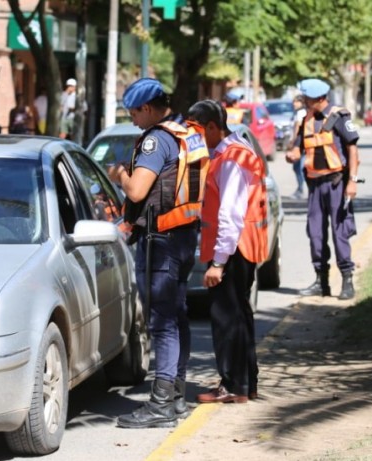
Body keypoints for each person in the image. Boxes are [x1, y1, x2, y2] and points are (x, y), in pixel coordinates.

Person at [108, 78, 209, 429]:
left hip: (162, 242)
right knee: (178, 318)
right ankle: (176, 395)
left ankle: (162, 403)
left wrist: (121, 174)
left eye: (134, 112)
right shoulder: (185, 132)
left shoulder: (156, 139)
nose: (133, 119)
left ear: (148, 108)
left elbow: (137, 191)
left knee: (163, 324)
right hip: (183, 237)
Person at [187, 100, 268, 405]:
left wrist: (217, 263)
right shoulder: (233, 152)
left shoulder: (232, 158)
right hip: (242, 248)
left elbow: (230, 214)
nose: (193, 138)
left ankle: (234, 385)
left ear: (211, 127)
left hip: (233, 250)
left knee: (227, 320)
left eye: (196, 131)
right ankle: (246, 383)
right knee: (240, 316)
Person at [286, 78, 360, 300]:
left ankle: (347, 280)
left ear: (319, 98)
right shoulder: (305, 120)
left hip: (337, 183)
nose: (304, 101)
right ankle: (321, 281)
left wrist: (352, 181)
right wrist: (293, 155)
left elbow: (353, 151)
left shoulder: (339, 117)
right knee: (316, 234)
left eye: (307, 98)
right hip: (315, 186)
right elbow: (299, 149)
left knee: (340, 233)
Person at [288, 94, 308, 199]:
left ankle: (302, 190)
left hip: (300, 145)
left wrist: (294, 142)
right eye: (294, 101)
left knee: (300, 168)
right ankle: (300, 188)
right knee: (297, 167)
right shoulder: (297, 112)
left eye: (297, 101)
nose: (294, 103)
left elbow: (298, 127)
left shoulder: (301, 112)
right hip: (298, 144)